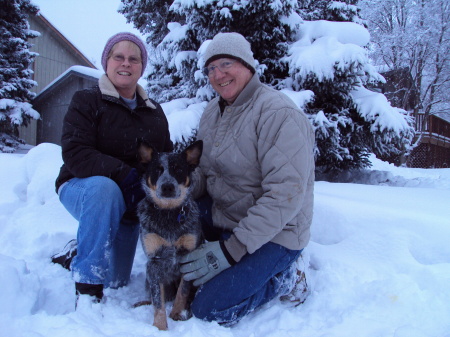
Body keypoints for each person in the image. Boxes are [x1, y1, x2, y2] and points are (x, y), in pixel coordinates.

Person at [180, 32, 315, 326]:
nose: (219, 74)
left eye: (227, 63)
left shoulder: (278, 113)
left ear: (248, 66)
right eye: (211, 68)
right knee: (176, 250)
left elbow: (285, 195)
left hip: (277, 233)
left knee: (207, 308)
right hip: (227, 215)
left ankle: (286, 277)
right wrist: (179, 189)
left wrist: (232, 250)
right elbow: (204, 172)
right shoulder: (212, 114)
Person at [52, 32, 173, 303]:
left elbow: (165, 158)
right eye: (119, 57)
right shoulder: (87, 101)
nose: (126, 64)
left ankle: (78, 251)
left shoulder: (154, 112)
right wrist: (125, 175)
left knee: (117, 278)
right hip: (82, 186)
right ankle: (87, 285)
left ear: (142, 67)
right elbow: (76, 152)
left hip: (131, 203)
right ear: (107, 61)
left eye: (134, 59)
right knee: (104, 189)